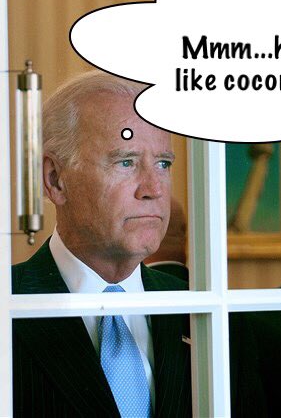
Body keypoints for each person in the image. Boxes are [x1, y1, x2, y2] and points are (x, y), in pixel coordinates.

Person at [11, 71, 191, 417]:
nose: (153, 189)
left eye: (163, 164)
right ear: (55, 179)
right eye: (126, 162)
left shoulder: (205, 312)